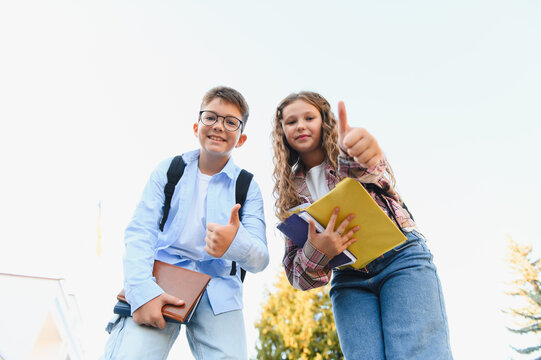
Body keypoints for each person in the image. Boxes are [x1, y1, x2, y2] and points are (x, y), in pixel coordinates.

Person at [272, 91, 452, 359]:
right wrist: (318, 250)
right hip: (349, 279)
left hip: (400, 259)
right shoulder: (290, 195)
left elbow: (365, 169)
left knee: (417, 353)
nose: (300, 125)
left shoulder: (345, 155)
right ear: (282, 131)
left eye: (309, 117)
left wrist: (362, 153)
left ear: (324, 121)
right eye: (291, 121)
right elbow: (298, 277)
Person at [102, 86, 269, 360]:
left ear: (241, 138)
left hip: (219, 289)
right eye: (211, 117)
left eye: (230, 122)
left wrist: (234, 243)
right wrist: (142, 292)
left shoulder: (247, 186)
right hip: (161, 279)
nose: (218, 127)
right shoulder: (169, 170)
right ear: (196, 126)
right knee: (134, 353)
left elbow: (260, 258)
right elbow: (140, 233)